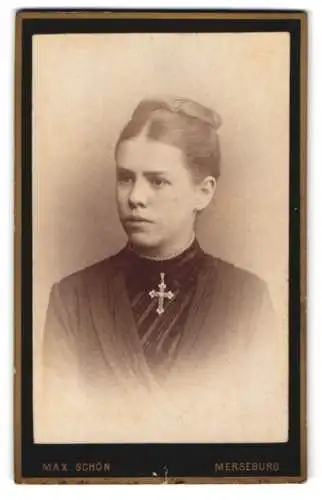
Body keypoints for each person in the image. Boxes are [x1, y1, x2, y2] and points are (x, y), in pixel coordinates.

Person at [40, 96, 285, 443]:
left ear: (203, 192)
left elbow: (261, 434)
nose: (135, 196)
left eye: (157, 181)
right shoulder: (73, 299)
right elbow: (60, 437)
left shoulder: (247, 299)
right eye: (125, 178)